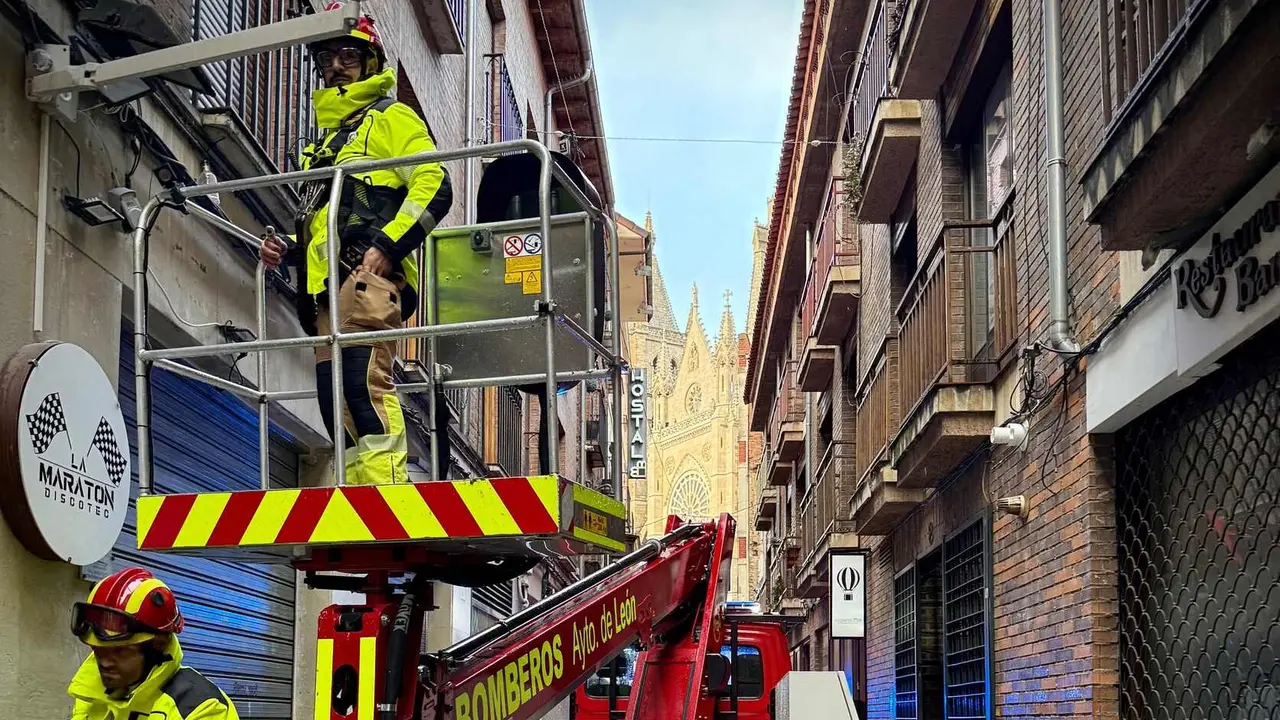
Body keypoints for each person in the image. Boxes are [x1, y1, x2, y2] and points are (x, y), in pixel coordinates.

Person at [261, 2, 454, 485]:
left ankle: (385, 491)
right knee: (334, 398)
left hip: (368, 279)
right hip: (326, 292)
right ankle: (357, 491)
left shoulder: (391, 117)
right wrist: (287, 247)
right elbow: (324, 226)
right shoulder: (329, 142)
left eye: (348, 55)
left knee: (363, 384)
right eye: (327, 58)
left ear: (370, 62)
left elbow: (434, 182)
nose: (336, 67)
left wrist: (388, 247)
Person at [67, 567, 238, 720]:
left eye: (119, 651)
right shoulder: (91, 695)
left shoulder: (202, 707)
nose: (104, 663)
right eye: (98, 651)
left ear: (159, 643)